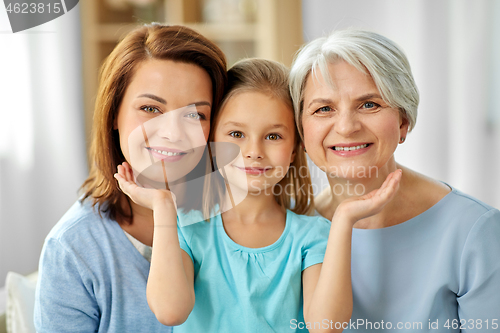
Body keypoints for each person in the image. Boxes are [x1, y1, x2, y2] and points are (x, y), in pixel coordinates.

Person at [115, 58, 402, 332]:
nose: (254, 151)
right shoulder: (187, 226)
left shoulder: (313, 235)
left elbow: (325, 326)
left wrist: (343, 220)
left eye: (273, 136)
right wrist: (164, 206)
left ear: (294, 148)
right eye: (237, 134)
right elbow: (170, 311)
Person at [289, 29, 500, 332]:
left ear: (403, 120)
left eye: (369, 104)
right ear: (301, 130)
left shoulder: (474, 230)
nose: (346, 127)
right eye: (324, 109)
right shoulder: (291, 225)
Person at [34, 23, 227, 332]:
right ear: (114, 113)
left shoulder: (240, 218)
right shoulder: (72, 248)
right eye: (150, 108)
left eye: (194, 114)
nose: (173, 133)